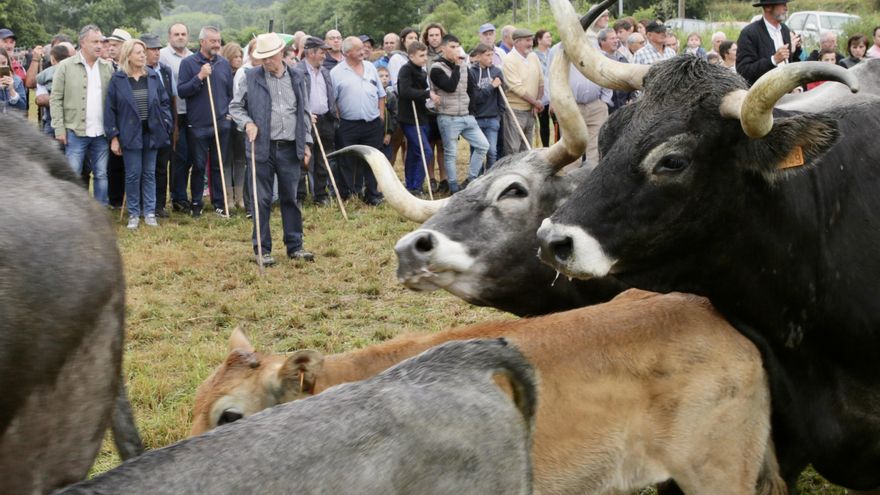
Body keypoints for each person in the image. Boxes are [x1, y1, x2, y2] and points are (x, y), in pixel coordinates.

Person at [230, 32, 314, 266]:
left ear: (281, 53)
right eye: (262, 58)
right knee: (261, 199)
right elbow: (236, 107)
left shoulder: (298, 77)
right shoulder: (251, 77)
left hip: (290, 147)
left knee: (291, 198)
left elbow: (304, 113)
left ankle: (295, 246)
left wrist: (306, 142)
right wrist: (247, 123)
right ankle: (262, 250)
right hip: (261, 148)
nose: (266, 62)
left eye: (270, 57)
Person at [105, 39, 172, 229]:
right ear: (128, 56)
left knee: (149, 174)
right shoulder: (118, 80)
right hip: (129, 133)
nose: (143, 55)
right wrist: (114, 137)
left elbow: (165, 102)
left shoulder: (152, 76)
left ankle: (149, 212)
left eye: (143, 52)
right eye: (138, 53)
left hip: (152, 133)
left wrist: (166, 124)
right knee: (133, 175)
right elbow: (110, 110)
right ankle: (134, 213)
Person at [51, 24, 115, 204]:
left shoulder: (107, 68)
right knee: (73, 173)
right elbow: (55, 99)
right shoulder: (65, 66)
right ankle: (72, 209)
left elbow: (112, 101)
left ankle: (101, 209)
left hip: (101, 132)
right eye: (95, 41)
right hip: (74, 130)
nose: (99, 45)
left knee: (101, 174)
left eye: (101, 42)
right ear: (83, 43)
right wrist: (59, 128)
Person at [177, 26, 234, 218]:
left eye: (218, 41)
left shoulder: (224, 64)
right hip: (198, 125)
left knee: (218, 165)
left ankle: (219, 203)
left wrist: (227, 114)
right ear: (202, 42)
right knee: (199, 166)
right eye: (213, 41)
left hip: (221, 123)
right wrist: (199, 77)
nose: (217, 44)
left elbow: (229, 93)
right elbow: (182, 91)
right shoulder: (189, 63)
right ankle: (196, 203)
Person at [330, 36, 385, 205]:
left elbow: (381, 94)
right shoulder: (336, 73)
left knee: (373, 160)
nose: (363, 51)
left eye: (363, 48)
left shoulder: (370, 67)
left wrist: (381, 116)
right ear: (347, 53)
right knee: (347, 160)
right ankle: (348, 194)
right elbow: (333, 101)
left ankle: (372, 194)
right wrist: (340, 121)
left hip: (372, 123)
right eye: (359, 49)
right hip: (348, 124)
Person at [430, 34, 489, 192]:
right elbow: (450, 86)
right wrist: (457, 65)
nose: (456, 50)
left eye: (457, 46)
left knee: (483, 146)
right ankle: (454, 187)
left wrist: (471, 111)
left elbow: (471, 88)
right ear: (443, 49)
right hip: (448, 117)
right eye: (452, 47)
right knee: (451, 154)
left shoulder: (463, 65)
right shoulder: (436, 69)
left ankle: (471, 180)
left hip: (466, 116)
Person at [293, 36, 337, 207]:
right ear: (310, 53)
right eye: (321, 52)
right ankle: (299, 196)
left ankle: (320, 194)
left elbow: (330, 95)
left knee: (322, 159)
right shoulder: (297, 72)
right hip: (306, 120)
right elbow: (293, 99)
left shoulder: (325, 71)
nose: (324, 56)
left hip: (325, 119)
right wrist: (304, 114)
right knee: (303, 158)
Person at [160, 23, 194, 214]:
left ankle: (180, 193)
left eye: (183, 34)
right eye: (176, 34)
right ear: (169, 36)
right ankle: (177, 197)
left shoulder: (192, 57)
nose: (180, 37)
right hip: (173, 114)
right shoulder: (163, 56)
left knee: (188, 157)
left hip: (190, 112)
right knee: (177, 157)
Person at [142, 34, 176, 218]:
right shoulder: (138, 72)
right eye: (152, 49)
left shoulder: (165, 70)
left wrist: (172, 125)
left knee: (162, 167)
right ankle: (145, 204)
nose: (156, 53)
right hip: (146, 127)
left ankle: (159, 205)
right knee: (146, 168)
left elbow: (171, 99)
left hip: (164, 126)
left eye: (157, 49)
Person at [397, 41, 435, 196]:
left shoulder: (421, 70)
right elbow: (404, 91)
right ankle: (416, 186)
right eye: (421, 55)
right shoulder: (405, 70)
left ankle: (411, 185)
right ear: (411, 55)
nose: (425, 58)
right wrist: (427, 93)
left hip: (422, 115)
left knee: (414, 152)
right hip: (409, 118)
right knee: (425, 151)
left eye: (425, 55)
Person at [735, 0, 802, 86]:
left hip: (786, 92)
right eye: (782, 4)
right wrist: (773, 60)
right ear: (768, 7)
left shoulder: (784, 30)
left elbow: (789, 64)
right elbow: (743, 71)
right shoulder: (750, 33)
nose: (786, 8)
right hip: (763, 95)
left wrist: (795, 87)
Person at [502, 28, 544, 154]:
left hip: (531, 110)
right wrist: (536, 103)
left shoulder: (533, 56)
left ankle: (525, 174)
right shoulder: (509, 60)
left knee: (527, 149)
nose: (531, 43)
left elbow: (541, 82)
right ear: (517, 42)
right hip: (515, 111)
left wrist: (537, 102)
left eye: (531, 40)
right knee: (513, 148)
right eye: (527, 40)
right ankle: (511, 173)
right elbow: (517, 88)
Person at [468, 43, 503, 172]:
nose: (491, 58)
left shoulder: (496, 72)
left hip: (493, 117)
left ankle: (490, 176)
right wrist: (491, 86)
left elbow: (501, 96)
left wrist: (499, 113)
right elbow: (476, 98)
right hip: (476, 118)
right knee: (477, 150)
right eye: (487, 55)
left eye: (492, 55)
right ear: (478, 57)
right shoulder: (471, 73)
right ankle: (475, 177)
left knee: (492, 151)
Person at [220, 42, 247, 211]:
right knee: (226, 159)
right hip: (226, 120)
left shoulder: (243, 74)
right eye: (235, 57)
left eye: (240, 56)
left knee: (240, 159)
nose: (238, 60)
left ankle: (240, 196)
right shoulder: (223, 74)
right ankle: (228, 197)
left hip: (241, 121)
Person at [35, 43, 75, 137]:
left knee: (49, 132)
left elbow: (38, 79)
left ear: (53, 59)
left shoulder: (49, 71)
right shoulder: (71, 69)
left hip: (52, 111)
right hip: (69, 114)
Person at [598, 29, 633, 113]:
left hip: (623, 107)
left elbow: (630, 79)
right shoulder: (597, 60)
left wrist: (631, 97)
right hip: (605, 108)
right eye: (612, 39)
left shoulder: (622, 58)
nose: (616, 41)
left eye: (616, 38)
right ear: (602, 41)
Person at [533, 30, 553, 147]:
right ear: (539, 40)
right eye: (547, 37)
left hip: (554, 93)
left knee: (558, 123)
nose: (550, 39)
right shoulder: (533, 55)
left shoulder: (554, 52)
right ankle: (545, 147)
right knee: (544, 123)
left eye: (550, 36)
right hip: (541, 94)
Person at [377, 66, 398, 163]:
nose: (384, 78)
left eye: (386, 76)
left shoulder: (391, 96)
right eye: (381, 76)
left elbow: (394, 116)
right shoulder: (373, 94)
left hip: (386, 135)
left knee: (387, 159)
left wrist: (389, 133)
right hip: (374, 134)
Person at [0, 47, 26, 115]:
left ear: (8, 62)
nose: (1, 66)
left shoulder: (16, 80)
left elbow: (22, 107)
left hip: (12, 123)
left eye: (3, 63)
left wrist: (11, 90)